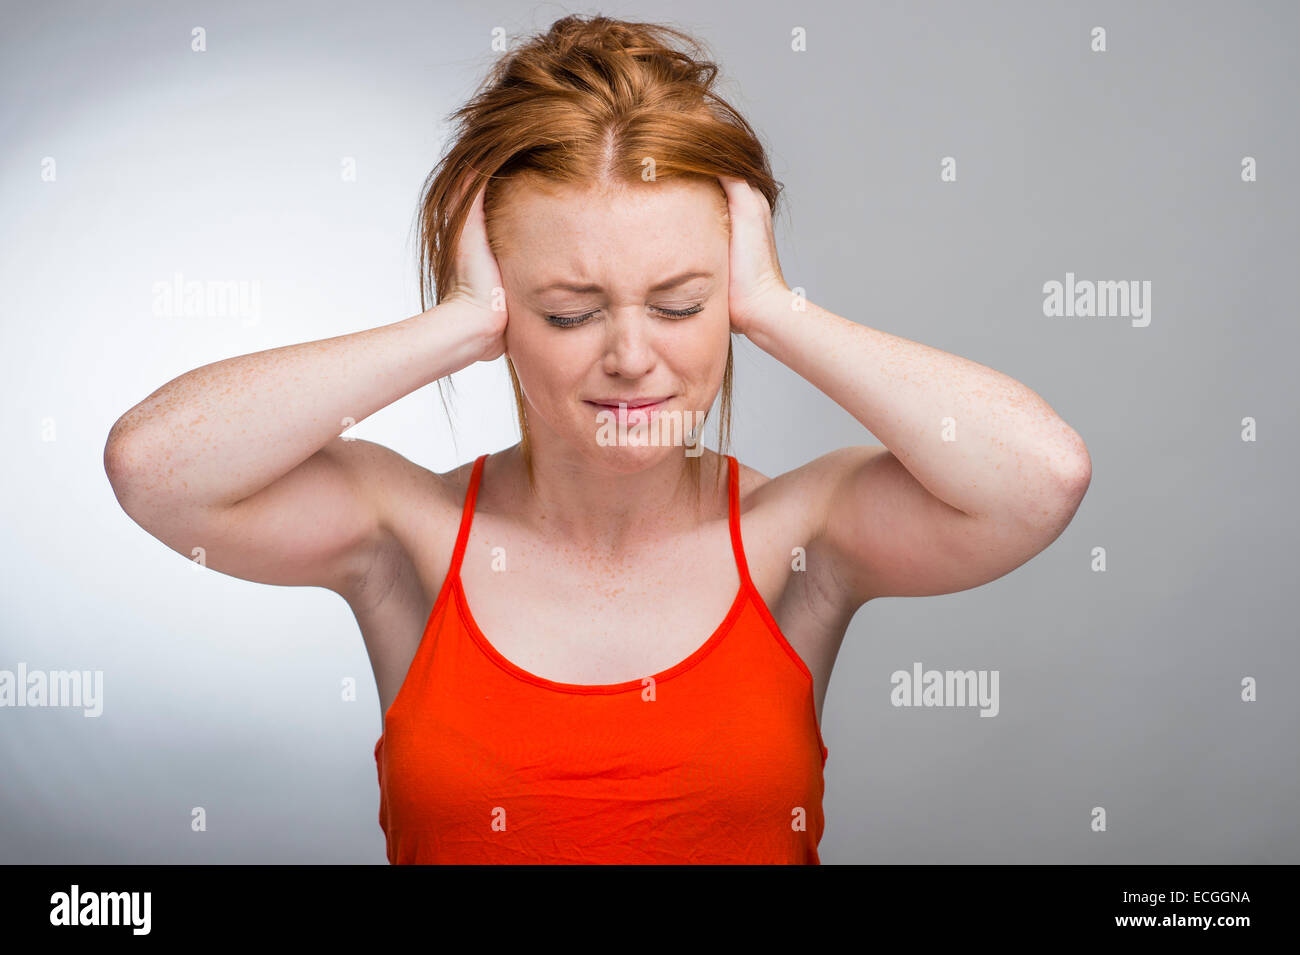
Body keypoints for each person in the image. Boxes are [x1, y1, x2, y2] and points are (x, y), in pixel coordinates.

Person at [103, 15, 1091, 864]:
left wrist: (778, 309)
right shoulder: (402, 530)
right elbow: (155, 468)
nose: (630, 357)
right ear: (505, 315)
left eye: (679, 303)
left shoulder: (805, 532)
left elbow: (1039, 478)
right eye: (570, 312)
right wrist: (452, 323)